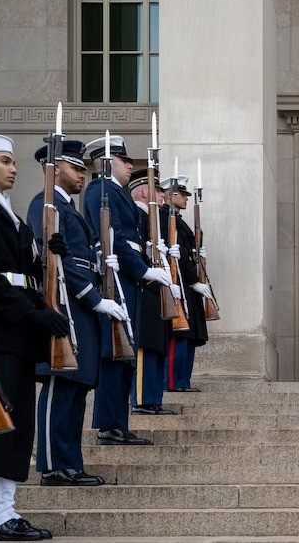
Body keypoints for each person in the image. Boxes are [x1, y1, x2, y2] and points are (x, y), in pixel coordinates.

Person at [0, 134, 58, 540]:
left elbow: (20, 264)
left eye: (13, 161)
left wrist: (44, 248)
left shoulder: (3, 209)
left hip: (15, 331)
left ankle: (2, 514)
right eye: (5, 161)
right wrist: (32, 313)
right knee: (0, 425)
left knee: (16, 423)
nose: (14, 168)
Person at [27, 139, 129, 485]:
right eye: (74, 168)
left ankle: (70, 462)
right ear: (53, 169)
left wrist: (104, 264)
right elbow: (58, 261)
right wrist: (93, 296)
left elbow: (82, 257)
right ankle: (55, 465)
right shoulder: (46, 203)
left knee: (76, 390)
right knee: (61, 388)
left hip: (82, 310)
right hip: (66, 306)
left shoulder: (68, 208)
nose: (81, 174)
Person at [83, 135, 171, 445]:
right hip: (116, 276)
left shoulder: (115, 192)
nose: (129, 166)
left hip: (128, 277)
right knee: (115, 353)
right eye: (124, 161)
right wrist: (143, 269)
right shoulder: (100, 190)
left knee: (125, 355)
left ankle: (117, 422)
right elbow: (114, 238)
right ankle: (109, 425)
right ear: (108, 163)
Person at [127, 168, 177, 413]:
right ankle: (141, 398)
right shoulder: (137, 215)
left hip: (157, 288)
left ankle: (153, 399)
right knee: (146, 345)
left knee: (157, 344)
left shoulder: (153, 218)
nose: (163, 194)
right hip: (144, 289)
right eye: (158, 189)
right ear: (145, 191)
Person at [159, 175, 210, 392]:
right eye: (183, 194)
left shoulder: (179, 220)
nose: (187, 199)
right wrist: (192, 280)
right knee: (178, 336)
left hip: (186, 283)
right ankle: (172, 382)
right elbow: (175, 256)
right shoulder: (164, 218)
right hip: (178, 282)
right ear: (169, 196)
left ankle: (183, 380)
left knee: (188, 337)